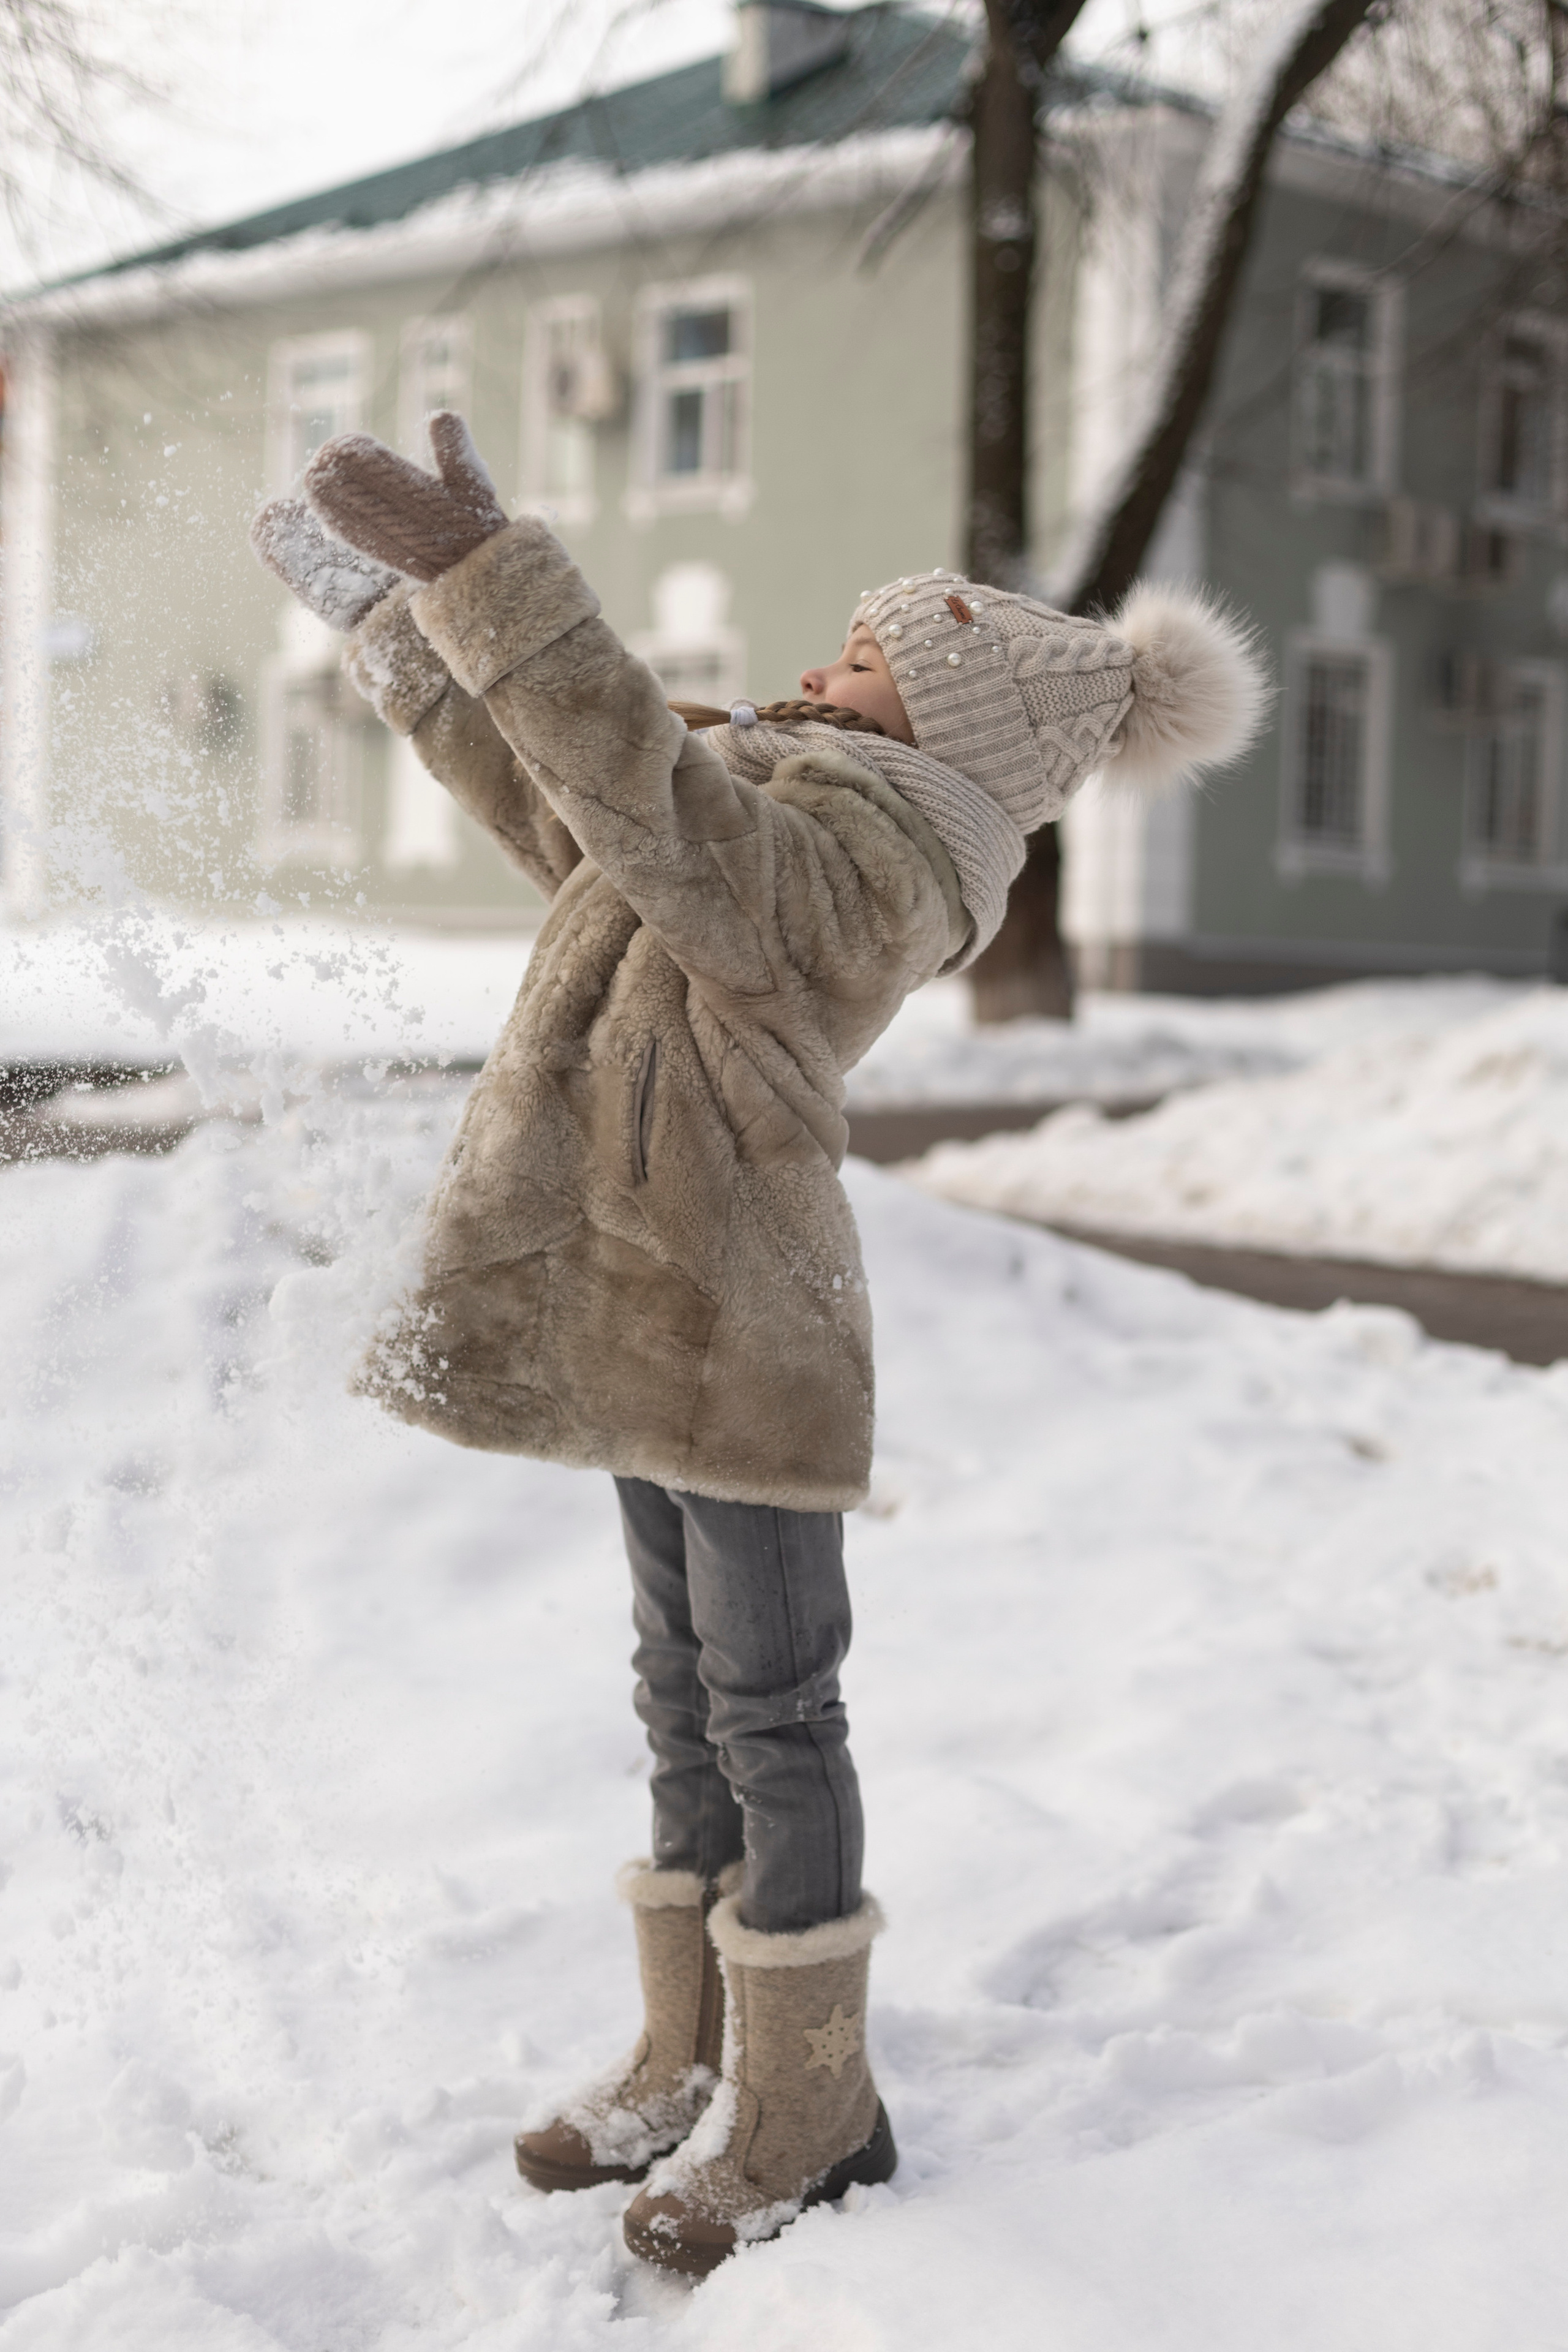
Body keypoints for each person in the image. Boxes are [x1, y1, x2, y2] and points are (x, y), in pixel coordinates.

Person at [251, 413, 1266, 2276]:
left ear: (943, 726)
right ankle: (693, 2046)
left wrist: (499, 576)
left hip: (747, 1317)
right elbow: (569, 809)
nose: (812, 675)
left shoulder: (881, 869)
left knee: (775, 1709)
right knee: (680, 1686)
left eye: (860, 666)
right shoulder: (783, 802)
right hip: (651, 1283)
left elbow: (671, 824)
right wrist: (410, 628)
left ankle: (817, 2105)